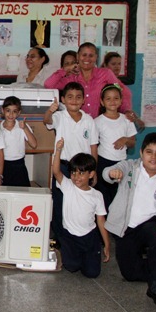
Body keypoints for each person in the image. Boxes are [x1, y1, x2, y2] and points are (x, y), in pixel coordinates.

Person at [103, 133, 156, 308]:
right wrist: (112, 172)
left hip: (151, 225)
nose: (153, 157)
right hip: (126, 228)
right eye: (149, 152)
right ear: (141, 152)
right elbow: (106, 173)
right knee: (130, 274)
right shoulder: (130, 168)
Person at [43, 82, 99, 243]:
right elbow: (46, 120)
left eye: (78, 97)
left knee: (82, 203)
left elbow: (93, 147)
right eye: (70, 97)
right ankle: (60, 237)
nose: (74, 100)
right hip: (63, 167)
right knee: (60, 202)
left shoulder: (89, 120)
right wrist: (50, 110)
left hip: (83, 169)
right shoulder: (59, 117)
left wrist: (93, 170)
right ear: (63, 100)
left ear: (83, 100)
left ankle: (80, 234)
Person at [52, 139, 110, 278]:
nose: (76, 177)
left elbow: (101, 221)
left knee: (91, 273)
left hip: (89, 237)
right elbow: (56, 171)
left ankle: (89, 255)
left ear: (91, 174)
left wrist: (107, 244)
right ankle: (66, 253)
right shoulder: (68, 186)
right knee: (72, 266)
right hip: (69, 236)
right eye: (73, 173)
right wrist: (58, 150)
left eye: (81, 173)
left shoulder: (97, 195)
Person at [44, 42, 133, 119]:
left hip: (101, 125)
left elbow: (122, 91)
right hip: (78, 125)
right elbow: (48, 85)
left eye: (91, 55)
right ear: (78, 56)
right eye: (84, 55)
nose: (87, 59)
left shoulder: (106, 74)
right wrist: (65, 69)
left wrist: (126, 110)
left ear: (96, 57)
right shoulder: (71, 78)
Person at [94, 83, 137, 211]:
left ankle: (116, 225)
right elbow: (93, 145)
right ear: (102, 102)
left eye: (116, 98)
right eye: (108, 98)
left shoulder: (126, 120)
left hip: (121, 162)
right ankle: (102, 225)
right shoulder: (97, 121)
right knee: (103, 195)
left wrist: (125, 139)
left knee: (119, 196)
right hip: (103, 162)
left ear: (121, 100)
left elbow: (133, 142)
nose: (112, 101)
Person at [0, 96, 37, 187]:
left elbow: (34, 144)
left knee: (23, 194)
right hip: (3, 165)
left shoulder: (22, 126)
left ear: (19, 113)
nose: (11, 114)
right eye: (8, 110)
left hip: (19, 165)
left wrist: (24, 128)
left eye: (14, 111)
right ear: (2, 110)